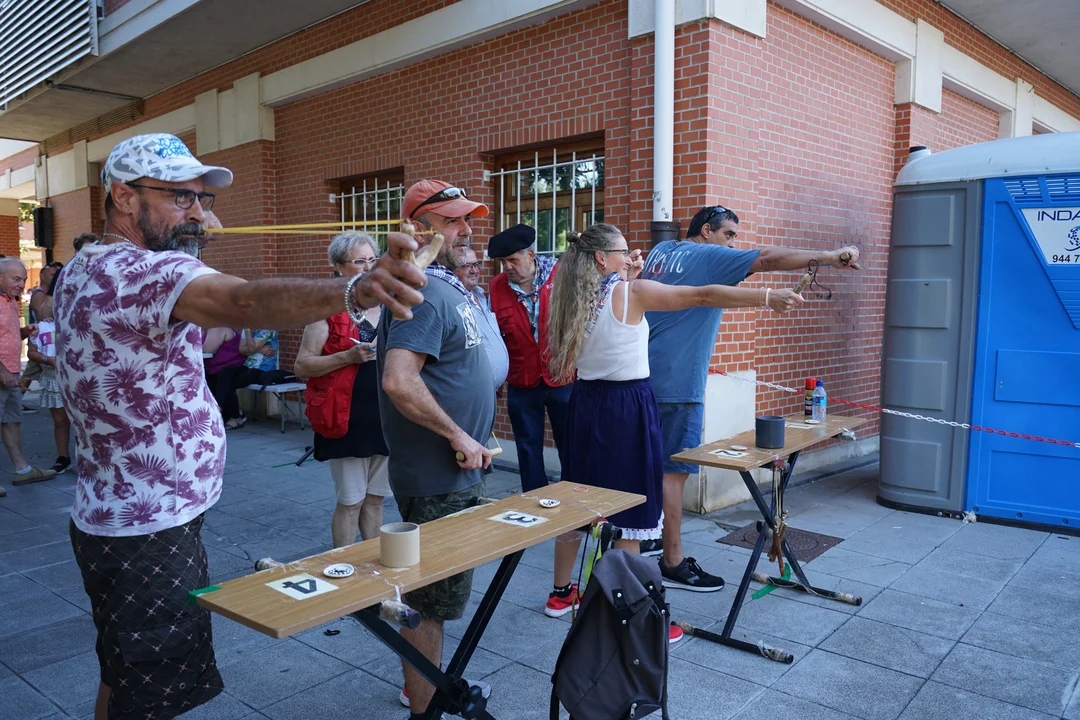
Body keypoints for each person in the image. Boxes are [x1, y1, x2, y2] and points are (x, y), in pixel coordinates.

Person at [53, 132, 426, 720]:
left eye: (201, 199)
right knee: (152, 696)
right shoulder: (147, 270)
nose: (198, 213)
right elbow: (245, 300)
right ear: (124, 197)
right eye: (180, 197)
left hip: (119, 512)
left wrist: (186, 228)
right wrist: (355, 289)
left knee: (124, 672)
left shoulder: (86, 265)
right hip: (150, 524)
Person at [544, 223, 804, 639]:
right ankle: (638, 619)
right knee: (631, 511)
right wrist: (766, 296)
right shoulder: (632, 293)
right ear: (601, 258)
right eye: (623, 251)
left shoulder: (575, 295)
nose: (631, 256)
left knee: (580, 498)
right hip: (625, 407)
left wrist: (628, 274)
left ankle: (560, 594)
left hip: (586, 403)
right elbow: (702, 295)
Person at [642, 204, 860, 592]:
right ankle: (672, 562)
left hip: (642, 378)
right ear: (706, 231)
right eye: (728, 235)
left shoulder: (661, 253)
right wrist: (828, 257)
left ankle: (646, 537)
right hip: (678, 384)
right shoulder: (708, 255)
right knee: (672, 475)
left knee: (648, 467)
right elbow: (766, 258)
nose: (732, 245)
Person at [377, 180, 495, 717]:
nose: (465, 230)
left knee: (438, 599)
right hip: (436, 475)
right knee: (428, 602)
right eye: (452, 221)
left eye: (466, 219)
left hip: (459, 469)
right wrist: (457, 434)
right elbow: (399, 381)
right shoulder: (420, 290)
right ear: (418, 229)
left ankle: (426, 685)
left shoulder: (444, 286)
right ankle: (422, 704)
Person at [295, 233, 390, 548]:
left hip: (386, 418)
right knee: (351, 502)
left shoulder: (389, 307)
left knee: (375, 500)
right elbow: (302, 365)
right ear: (338, 267)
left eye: (373, 259)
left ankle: (375, 567)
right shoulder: (327, 310)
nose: (368, 267)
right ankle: (344, 568)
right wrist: (347, 357)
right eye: (359, 261)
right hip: (345, 419)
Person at [487, 223, 570, 498]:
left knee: (571, 444)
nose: (508, 267)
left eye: (513, 260)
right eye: (503, 261)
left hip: (562, 377)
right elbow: (494, 336)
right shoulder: (496, 287)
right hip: (521, 381)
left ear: (531, 255)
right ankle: (535, 502)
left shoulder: (562, 276)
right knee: (527, 448)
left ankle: (574, 500)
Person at [0, 257, 57, 493]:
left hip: (11, 372)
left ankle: (23, 470)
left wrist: (25, 331)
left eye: (23, 279)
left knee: (11, 422)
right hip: (3, 372)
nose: (21, 284)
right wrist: (2, 371)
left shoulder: (9, 301)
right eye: (16, 279)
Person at [25, 274, 71, 474]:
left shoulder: (75, 324)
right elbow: (32, 352)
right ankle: (63, 457)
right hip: (53, 378)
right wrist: (47, 359)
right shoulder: (43, 327)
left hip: (78, 379)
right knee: (60, 421)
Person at [453, 246, 508, 390]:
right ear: (452, 269)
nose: (474, 270)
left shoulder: (481, 296)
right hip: (470, 391)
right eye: (467, 266)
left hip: (490, 389)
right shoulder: (455, 301)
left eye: (476, 264)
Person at [211, 328, 279, 429]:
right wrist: (259, 349)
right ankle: (226, 410)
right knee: (225, 372)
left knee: (228, 383)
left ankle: (234, 416)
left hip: (262, 369)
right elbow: (242, 350)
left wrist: (250, 342)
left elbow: (251, 348)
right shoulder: (246, 329)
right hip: (248, 367)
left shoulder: (267, 329)